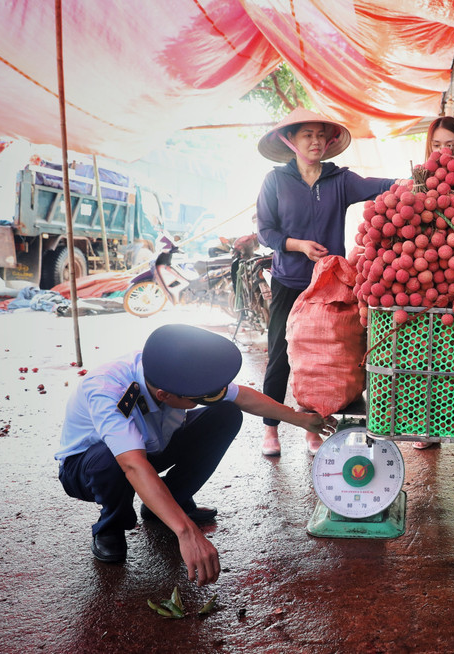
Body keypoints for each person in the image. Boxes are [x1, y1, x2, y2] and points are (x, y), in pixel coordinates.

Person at [55, 324, 337, 583]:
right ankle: (110, 526)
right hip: (91, 467)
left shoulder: (175, 369)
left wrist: (301, 420)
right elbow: (132, 465)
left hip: (152, 447)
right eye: (198, 397)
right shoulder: (107, 390)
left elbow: (242, 397)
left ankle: (171, 500)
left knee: (226, 414)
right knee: (112, 460)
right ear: (164, 394)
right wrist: (186, 532)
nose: (206, 396)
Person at [256, 108, 394, 458]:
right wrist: (298, 245)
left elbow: (379, 187)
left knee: (330, 357)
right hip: (290, 280)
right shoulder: (275, 181)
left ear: (329, 141)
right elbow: (265, 231)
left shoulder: (340, 180)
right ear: (291, 140)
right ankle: (270, 429)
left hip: (331, 284)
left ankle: (313, 427)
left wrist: (417, 180)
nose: (315, 141)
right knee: (280, 355)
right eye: (307, 135)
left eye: (320, 135)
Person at [411, 114, 454, 451]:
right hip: (427, 280)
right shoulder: (418, 184)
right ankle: (428, 426)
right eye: (437, 145)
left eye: (450, 144)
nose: (444, 151)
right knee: (427, 354)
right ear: (428, 148)